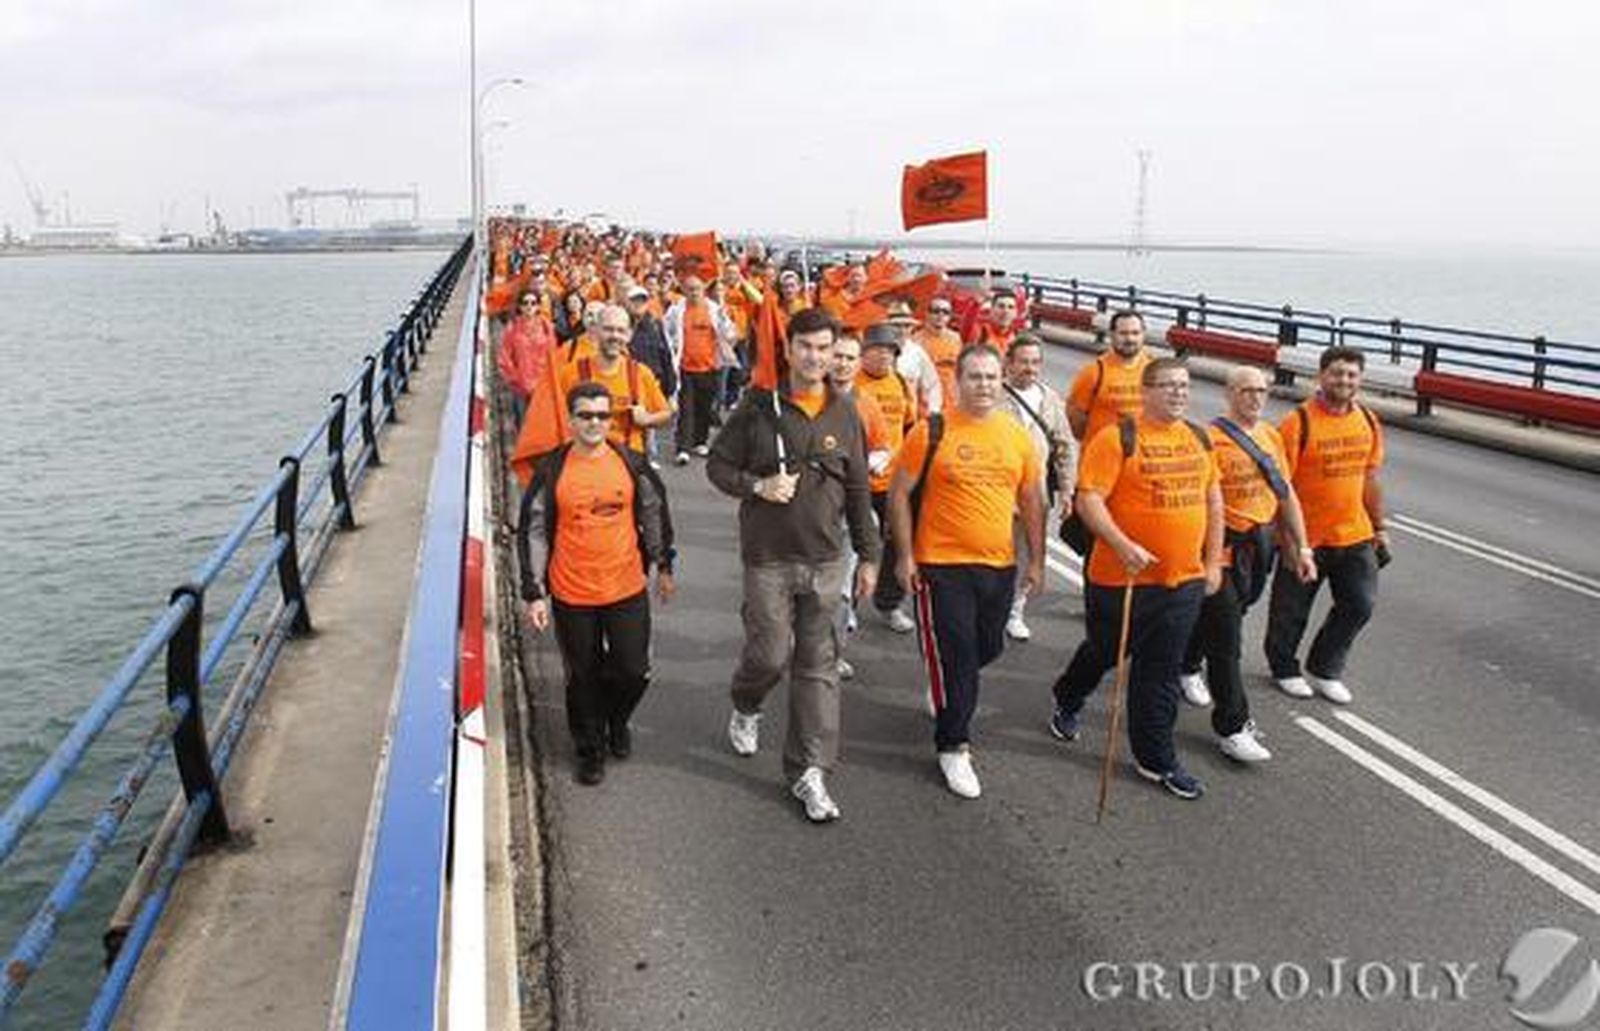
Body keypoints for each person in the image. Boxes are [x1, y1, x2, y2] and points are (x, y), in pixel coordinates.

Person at [707, 308, 879, 823]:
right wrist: (756, 486)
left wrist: (869, 554)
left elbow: (857, 489)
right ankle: (747, 703)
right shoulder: (760, 408)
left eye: (825, 348)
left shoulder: (846, 413)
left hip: (827, 560)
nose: (815, 357)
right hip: (768, 560)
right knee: (769, 656)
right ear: (789, 350)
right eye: (806, 347)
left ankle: (809, 771)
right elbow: (718, 464)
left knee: (818, 668)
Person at [1047, 358, 1224, 801]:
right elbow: (1090, 499)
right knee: (1105, 651)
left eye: (1184, 386)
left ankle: (1156, 758)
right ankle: (1068, 696)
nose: (1179, 393)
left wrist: (1213, 562)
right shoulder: (1117, 438)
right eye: (1168, 386)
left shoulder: (1200, 438)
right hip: (1119, 579)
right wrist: (1122, 545)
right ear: (1146, 392)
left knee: (1159, 673)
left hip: (1180, 581)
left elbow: (1213, 501)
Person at [888, 344, 1045, 799]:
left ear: (1003, 381)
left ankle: (946, 682)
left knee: (987, 647)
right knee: (958, 657)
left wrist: (1035, 559)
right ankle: (954, 744)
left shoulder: (1015, 435)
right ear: (957, 381)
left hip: (998, 564)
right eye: (974, 377)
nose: (984, 385)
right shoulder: (931, 431)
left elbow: (1032, 499)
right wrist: (904, 556)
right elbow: (899, 493)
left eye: (992, 377)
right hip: (941, 564)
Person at [518, 382, 676, 785]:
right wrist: (534, 591)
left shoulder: (631, 463)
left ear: (612, 420)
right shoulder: (552, 470)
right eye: (585, 415)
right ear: (570, 421)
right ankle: (590, 748)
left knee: (632, 669)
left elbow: (655, 511)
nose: (594, 422)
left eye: (602, 415)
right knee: (581, 675)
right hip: (573, 591)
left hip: (625, 585)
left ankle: (615, 719)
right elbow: (535, 530)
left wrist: (663, 563)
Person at [1177, 366, 1317, 763]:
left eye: (1262, 391)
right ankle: (1233, 726)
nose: (1255, 398)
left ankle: (1186, 664)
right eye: (1246, 391)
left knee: (1230, 616)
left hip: (1259, 551)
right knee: (1228, 639)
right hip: (1220, 551)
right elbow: (1198, 500)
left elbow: (1285, 494)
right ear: (1229, 393)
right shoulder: (1208, 438)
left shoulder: (1271, 436)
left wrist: (1301, 547)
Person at [1264, 345, 1388, 705]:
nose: (1344, 380)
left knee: (1359, 604)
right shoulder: (1297, 423)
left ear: (1360, 380)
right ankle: (1284, 667)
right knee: (1291, 610)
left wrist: (1379, 526)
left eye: (1351, 374)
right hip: (1308, 537)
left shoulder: (1367, 420)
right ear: (1321, 376)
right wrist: (1287, 541)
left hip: (1355, 534)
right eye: (1337, 373)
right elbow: (1279, 488)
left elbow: (1370, 477)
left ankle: (1325, 667)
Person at [997, 333, 1077, 640]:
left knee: (1029, 553)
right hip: (997, 492)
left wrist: (1068, 490)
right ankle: (991, 604)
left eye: (1035, 362)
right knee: (995, 551)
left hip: (1035, 493)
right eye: (1023, 362)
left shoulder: (1050, 399)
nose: (1029, 368)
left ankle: (1015, 610)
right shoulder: (994, 396)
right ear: (1009, 363)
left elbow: (1065, 446)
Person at [827, 330, 892, 679]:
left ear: (858, 362)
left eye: (850, 358)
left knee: (841, 591)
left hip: (851, 507)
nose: (843, 364)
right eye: (837, 356)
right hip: (806, 512)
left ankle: (833, 653)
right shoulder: (806, 397)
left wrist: (863, 465)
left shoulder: (866, 405)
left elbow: (883, 448)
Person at [854, 323, 918, 633]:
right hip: (857, 482)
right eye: (876, 349)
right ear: (863, 352)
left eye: (890, 351)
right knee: (855, 546)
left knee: (897, 544)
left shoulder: (902, 384)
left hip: (893, 484)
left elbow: (910, 427)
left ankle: (889, 603)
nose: (883, 355)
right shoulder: (852, 383)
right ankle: (846, 606)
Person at [558, 304, 673, 456]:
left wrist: (647, 419)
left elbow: (665, 413)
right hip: (583, 462)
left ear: (629, 335)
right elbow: (554, 419)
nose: (615, 336)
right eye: (608, 329)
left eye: (620, 330)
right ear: (597, 331)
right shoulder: (571, 373)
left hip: (628, 462)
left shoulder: (641, 373)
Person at [664, 274, 737, 465]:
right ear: (684, 290)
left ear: (704, 290)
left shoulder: (714, 310)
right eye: (690, 289)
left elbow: (730, 334)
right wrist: (672, 349)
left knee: (704, 407)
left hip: (709, 366)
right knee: (686, 408)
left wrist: (724, 320)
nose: (693, 293)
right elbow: (667, 331)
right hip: (685, 367)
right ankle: (682, 448)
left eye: (697, 289)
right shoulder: (676, 310)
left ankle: (700, 441)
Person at [1067, 310, 1152, 444]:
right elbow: (1074, 422)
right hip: (1101, 458)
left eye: (1135, 333)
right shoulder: (1093, 373)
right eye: (1123, 333)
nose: (1130, 339)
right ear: (1112, 335)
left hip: (1140, 459)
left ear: (1143, 334)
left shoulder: (1154, 371)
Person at [498, 287, 557, 427]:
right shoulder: (512, 328)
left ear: (538, 306)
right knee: (524, 424)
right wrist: (516, 379)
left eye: (533, 303)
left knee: (543, 424)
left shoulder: (546, 326)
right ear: (519, 306)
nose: (529, 306)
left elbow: (554, 354)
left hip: (544, 384)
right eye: (525, 303)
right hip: (522, 386)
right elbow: (504, 357)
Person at [886, 298, 943, 414]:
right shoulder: (876, 350)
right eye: (897, 326)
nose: (901, 331)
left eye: (906, 326)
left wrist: (934, 411)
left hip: (908, 418)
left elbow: (933, 385)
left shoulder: (917, 353)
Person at [914, 296, 964, 405]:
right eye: (935, 311)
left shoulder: (955, 339)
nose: (940, 315)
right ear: (927, 314)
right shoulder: (916, 340)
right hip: (925, 401)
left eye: (945, 312)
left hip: (950, 400)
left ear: (950, 317)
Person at [974, 289, 1021, 354]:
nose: (1006, 311)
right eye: (1001, 306)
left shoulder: (1019, 337)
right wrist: (975, 304)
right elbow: (966, 327)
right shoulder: (980, 332)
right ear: (991, 310)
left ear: (1015, 313)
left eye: (1010, 307)